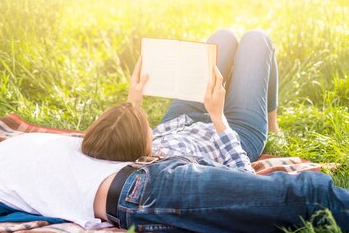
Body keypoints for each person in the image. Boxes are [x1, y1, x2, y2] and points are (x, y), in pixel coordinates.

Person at [0, 30, 349, 233]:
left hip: (150, 153)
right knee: (302, 194)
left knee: (217, 41)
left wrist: (132, 104)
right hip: (144, 190)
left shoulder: (9, 143)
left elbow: (99, 148)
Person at [82, 29, 279, 172]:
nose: (144, 121)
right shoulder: (176, 167)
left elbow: (116, 141)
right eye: (140, 124)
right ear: (140, 142)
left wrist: (133, 102)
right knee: (257, 40)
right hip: (234, 130)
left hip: (181, 120)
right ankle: (273, 126)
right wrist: (217, 116)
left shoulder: (127, 147)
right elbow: (244, 176)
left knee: (223, 38)